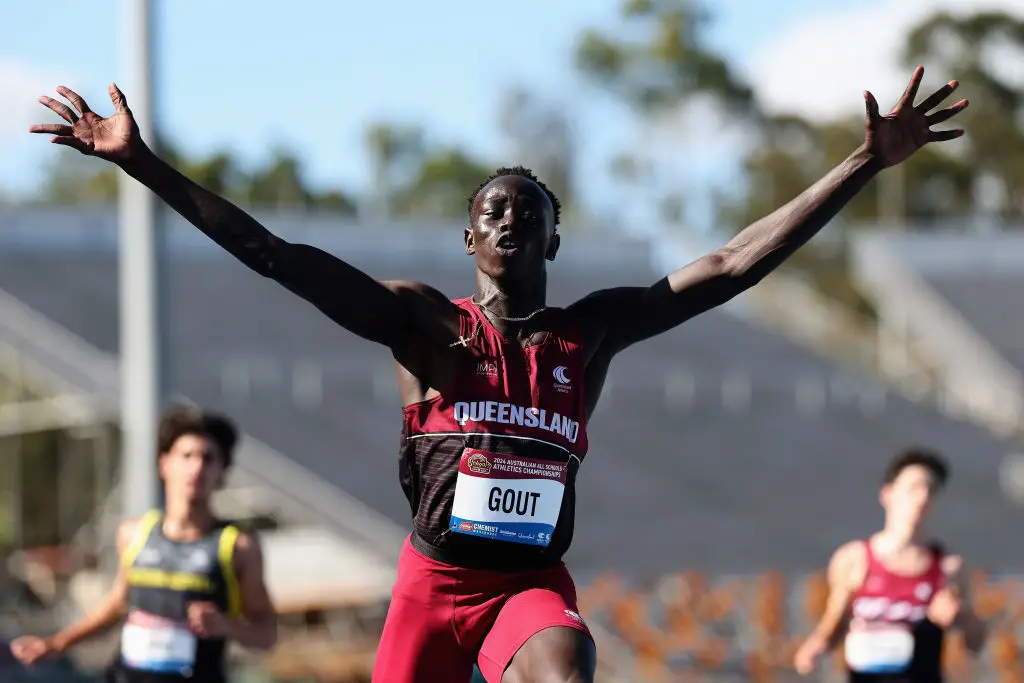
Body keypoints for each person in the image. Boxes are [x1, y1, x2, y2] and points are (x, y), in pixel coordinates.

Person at [28, 67, 966, 683]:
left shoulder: (590, 333)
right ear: (469, 239)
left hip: (529, 584)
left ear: (554, 235)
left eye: (529, 208)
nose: (510, 218)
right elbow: (272, 251)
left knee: (564, 669)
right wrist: (141, 163)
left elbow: (730, 265)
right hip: (431, 584)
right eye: (492, 209)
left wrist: (861, 164)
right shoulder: (424, 324)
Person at [9, 406, 277, 683]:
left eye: (208, 459)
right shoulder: (135, 534)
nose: (197, 467)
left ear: (221, 472)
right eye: (187, 456)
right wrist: (56, 644)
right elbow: (116, 606)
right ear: (165, 464)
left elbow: (266, 635)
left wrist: (224, 626)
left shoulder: (237, 547)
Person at [793, 448, 987, 683]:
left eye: (930, 490)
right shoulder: (854, 560)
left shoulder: (949, 568)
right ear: (888, 494)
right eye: (914, 487)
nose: (922, 497)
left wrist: (962, 617)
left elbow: (976, 645)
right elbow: (833, 626)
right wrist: (813, 648)